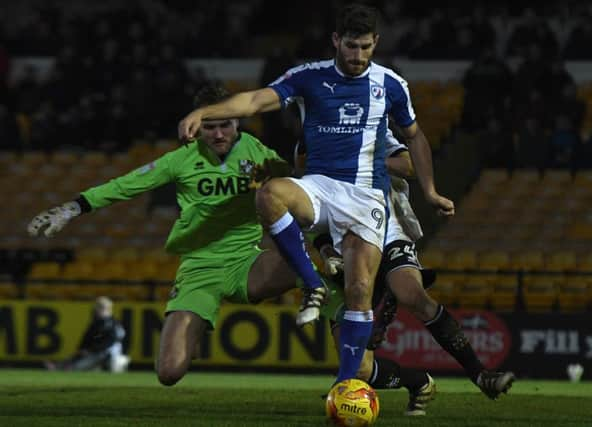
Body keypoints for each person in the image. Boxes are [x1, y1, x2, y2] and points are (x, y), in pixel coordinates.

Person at [178, 3, 454, 385]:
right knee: (270, 195)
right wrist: (207, 111)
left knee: (359, 290)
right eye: (351, 46)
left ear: (376, 44)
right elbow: (257, 100)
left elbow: (415, 137)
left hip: (365, 197)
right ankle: (312, 283)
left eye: (366, 47)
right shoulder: (310, 77)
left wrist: (431, 190)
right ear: (336, 41)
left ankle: (346, 387)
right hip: (320, 187)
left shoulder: (390, 84)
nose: (358, 56)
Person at [28, 82, 301, 386]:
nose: (220, 134)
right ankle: (194, 325)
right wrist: (74, 207)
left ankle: (355, 358)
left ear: (237, 120)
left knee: (314, 270)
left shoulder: (257, 153)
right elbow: (126, 184)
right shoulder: (182, 159)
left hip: (246, 261)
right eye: (210, 127)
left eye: (226, 124)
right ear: (198, 126)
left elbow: (300, 189)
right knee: (169, 373)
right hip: (199, 268)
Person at [312, 136, 516, 401]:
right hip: (347, 246)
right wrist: (327, 250)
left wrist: (362, 162)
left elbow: (408, 165)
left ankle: (480, 374)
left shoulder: (372, 123)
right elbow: (311, 213)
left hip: (389, 232)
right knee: (360, 370)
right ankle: (417, 380)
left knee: (413, 295)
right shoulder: (313, 140)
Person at [44, 296, 129, 372]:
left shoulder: (112, 324)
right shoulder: (101, 323)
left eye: (99, 308)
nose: (96, 310)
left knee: (77, 367)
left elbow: (110, 342)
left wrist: (89, 350)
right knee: (78, 360)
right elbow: (87, 339)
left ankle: (60, 367)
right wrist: (84, 349)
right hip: (97, 353)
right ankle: (59, 366)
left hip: (106, 354)